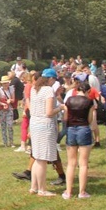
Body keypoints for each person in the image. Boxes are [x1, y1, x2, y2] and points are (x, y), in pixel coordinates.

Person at [28, 68, 62, 197]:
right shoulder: (48, 90)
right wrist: (60, 108)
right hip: (45, 125)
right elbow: (49, 112)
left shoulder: (34, 89)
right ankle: (42, 189)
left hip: (35, 123)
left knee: (37, 157)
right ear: (51, 79)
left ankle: (34, 187)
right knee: (42, 159)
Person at [62, 80, 94, 199]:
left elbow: (65, 117)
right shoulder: (89, 102)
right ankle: (82, 192)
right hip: (84, 128)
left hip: (71, 129)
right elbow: (90, 119)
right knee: (83, 163)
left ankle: (68, 192)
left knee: (71, 163)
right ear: (87, 91)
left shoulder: (69, 100)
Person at [0, 76, 15, 147]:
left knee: (10, 125)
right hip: (2, 110)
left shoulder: (11, 89)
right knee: (3, 127)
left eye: (6, 83)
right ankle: (5, 142)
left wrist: (10, 101)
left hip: (9, 109)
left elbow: (13, 99)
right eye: (4, 83)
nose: (5, 85)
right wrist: (3, 104)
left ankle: (11, 142)